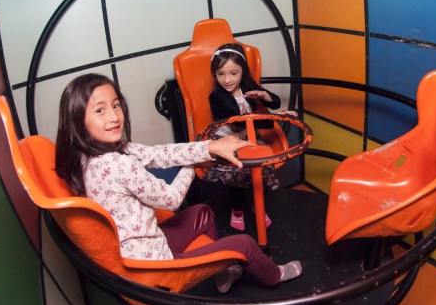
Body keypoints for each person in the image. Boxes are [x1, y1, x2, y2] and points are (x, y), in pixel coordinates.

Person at [54, 73, 301, 293]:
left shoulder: (89, 155)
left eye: (116, 105)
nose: (113, 116)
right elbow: (171, 199)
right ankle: (274, 275)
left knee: (202, 212)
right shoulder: (117, 164)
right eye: (100, 110)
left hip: (143, 245)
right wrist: (194, 165)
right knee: (245, 243)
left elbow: (159, 153)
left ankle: (222, 272)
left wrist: (209, 147)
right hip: (154, 266)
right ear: (78, 120)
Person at [206, 43, 296, 231]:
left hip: (249, 136)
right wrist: (276, 118)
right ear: (214, 74)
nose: (227, 80)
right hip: (228, 140)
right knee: (235, 175)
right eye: (220, 74)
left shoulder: (247, 85)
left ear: (243, 71)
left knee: (261, 171)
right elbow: (239, 122)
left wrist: (264, 96)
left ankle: (258, 205)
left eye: (233, 73)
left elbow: (275, 102)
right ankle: (237, 210)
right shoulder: (216, 96)